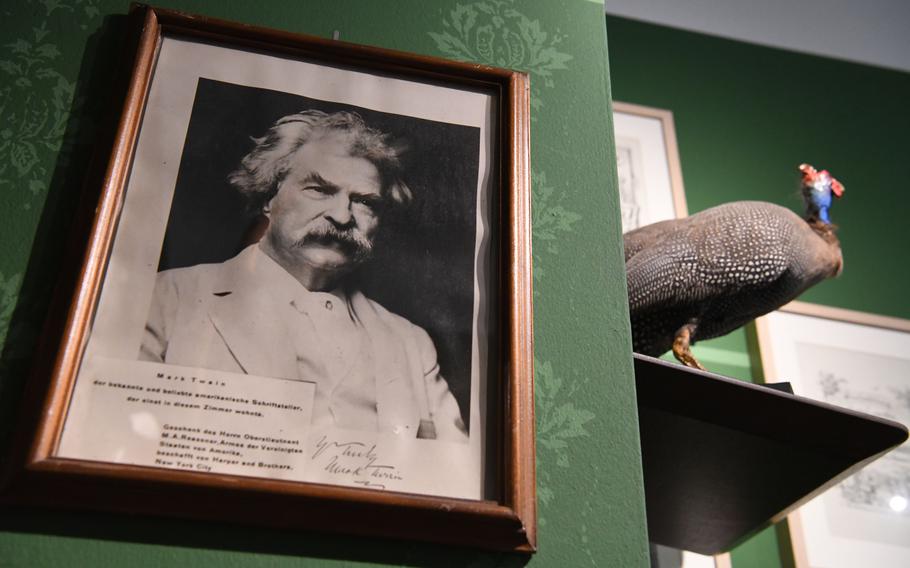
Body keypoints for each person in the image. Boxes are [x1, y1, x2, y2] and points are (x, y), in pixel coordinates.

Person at [140, 110, 468, 442]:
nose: (342, 216)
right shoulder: (167, 298)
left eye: (364, 202)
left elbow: (451, 473)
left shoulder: (410, 342)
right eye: (319, 190)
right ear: (269, 197)